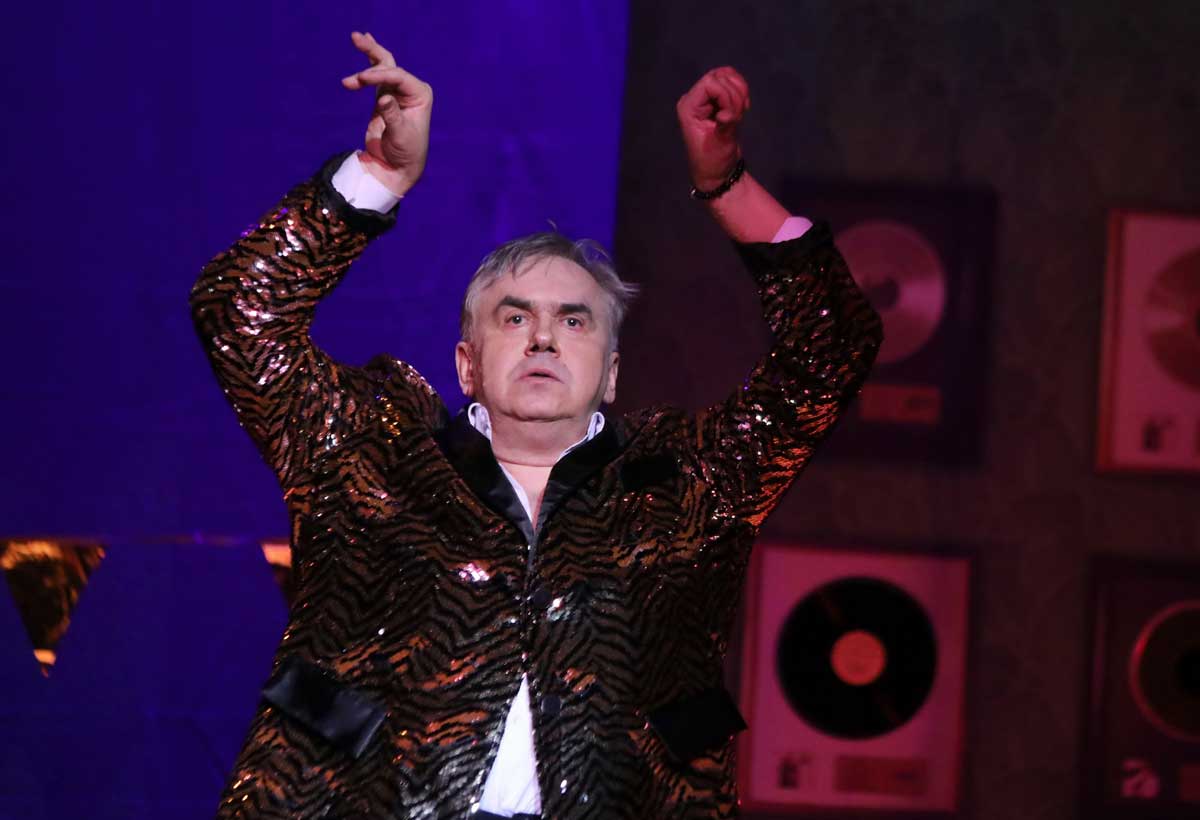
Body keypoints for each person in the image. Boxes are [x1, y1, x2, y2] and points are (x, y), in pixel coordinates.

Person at [191, 30, 881, 820]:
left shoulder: (692, 484)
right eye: (515, 317)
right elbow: (238, 312)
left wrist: (726, 186)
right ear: (467, 364)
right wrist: (378, 175)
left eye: (574, 321)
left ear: (611, 373)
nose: (545, 337)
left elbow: (833, 350)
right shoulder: (369, 452)